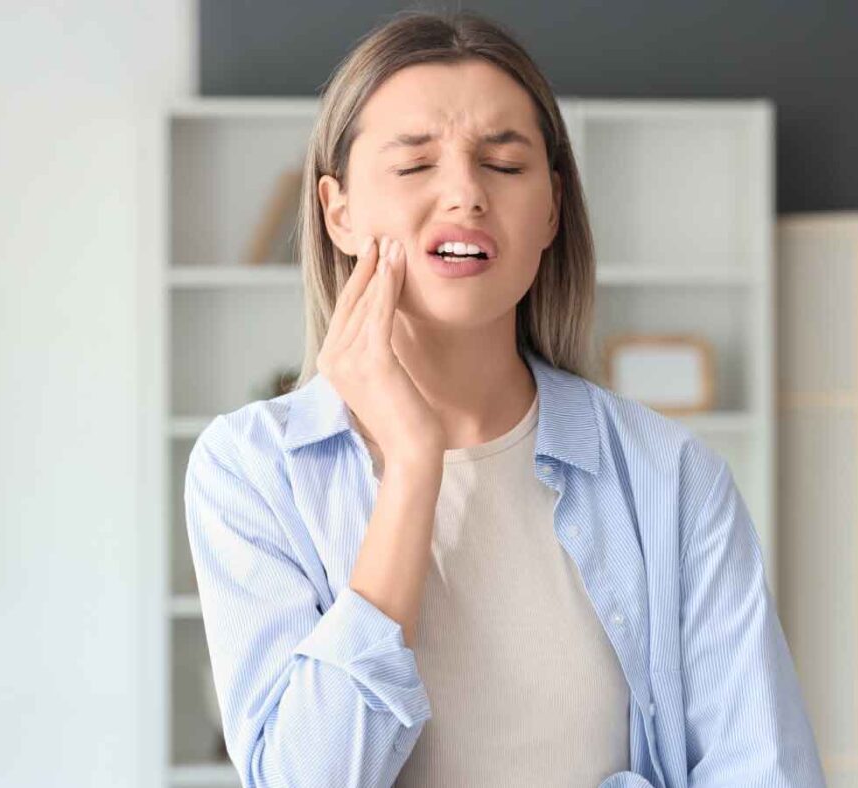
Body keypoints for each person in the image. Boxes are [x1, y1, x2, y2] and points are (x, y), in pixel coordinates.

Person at [183, 9, 825, 788]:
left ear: (551, 209)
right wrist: (413, 468)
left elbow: (765, 771)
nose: (466, 193)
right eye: (415, 164)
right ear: (338, 211)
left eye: (504, 164)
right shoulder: (252, 470)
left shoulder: (672, 477)